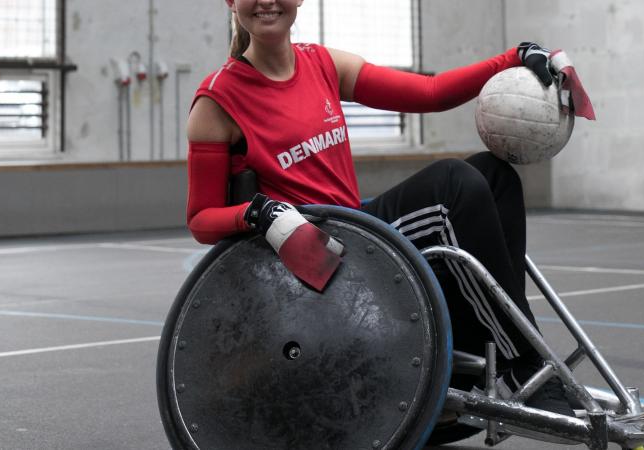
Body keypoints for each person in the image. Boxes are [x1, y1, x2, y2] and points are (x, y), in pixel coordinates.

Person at [186, 0, 574, 416]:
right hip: (318, 259)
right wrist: (258, 212)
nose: (266, 2)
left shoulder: (323, 64)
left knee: (495, 175)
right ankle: (525, 362)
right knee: (454, 184)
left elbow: (432, 92)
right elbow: (200, 220)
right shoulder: (217, 99)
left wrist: (512, 57)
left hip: (358, 234)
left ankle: (498, 351)